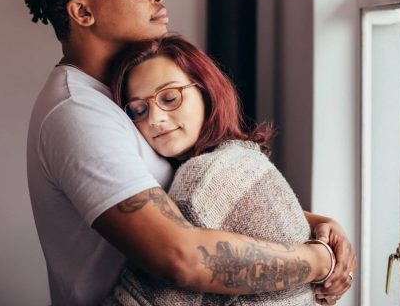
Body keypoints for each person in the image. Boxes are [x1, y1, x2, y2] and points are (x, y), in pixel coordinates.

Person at [21, 0, 356, 306]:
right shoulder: (79, 113)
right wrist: (318, 261)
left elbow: (193, 202)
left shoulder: (117, 95)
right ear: (82, 11)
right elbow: (181, 257)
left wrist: (315, 225)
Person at [102, 34, 329, 305]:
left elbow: (140, 301)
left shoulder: (203, 176)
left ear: (206, 90)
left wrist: (321, 258)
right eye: (139, 110)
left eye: (170, 97)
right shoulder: (243, 160)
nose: (155, 118)